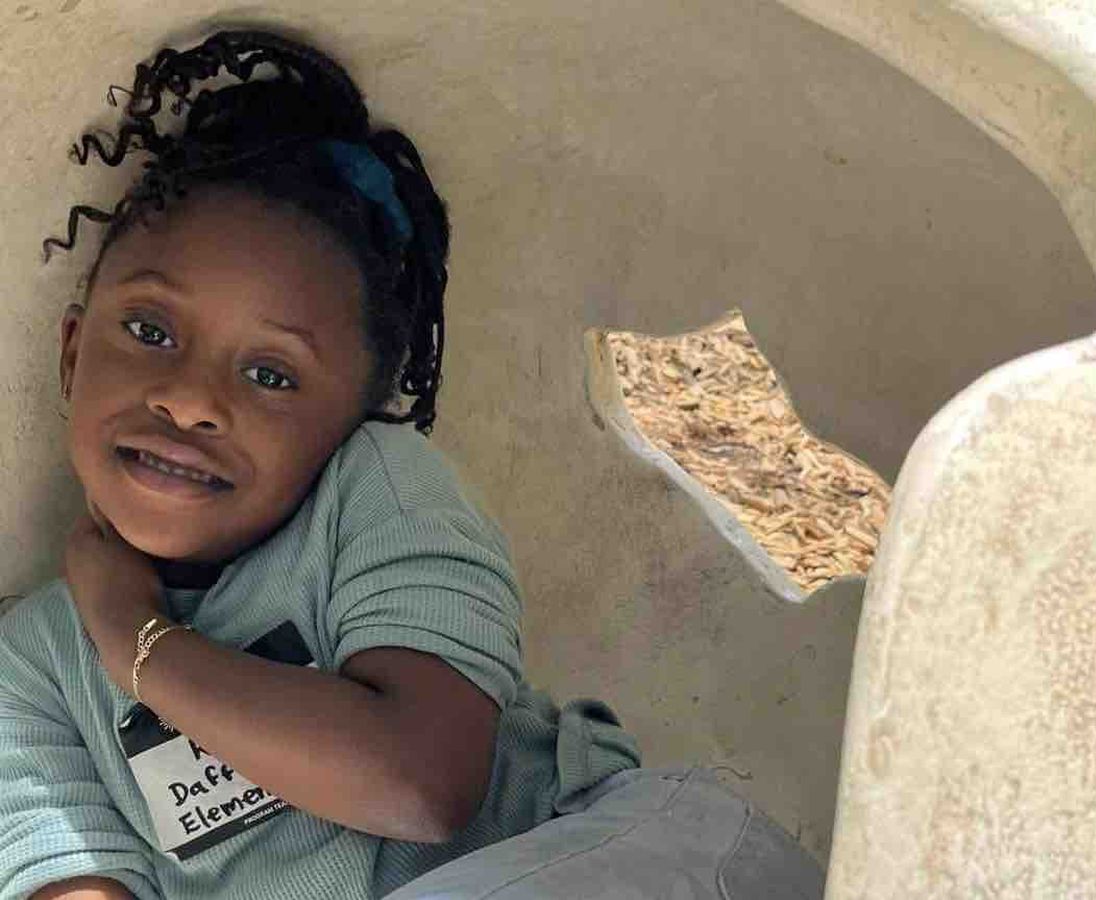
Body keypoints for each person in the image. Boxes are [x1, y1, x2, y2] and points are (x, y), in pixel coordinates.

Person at [4, 27, 825, 900]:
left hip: (631, 863)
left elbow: (419, 785)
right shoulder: (32, 667)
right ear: (71, 352)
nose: (191, 399)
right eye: (150, 331)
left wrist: (137, 641)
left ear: (352, 418)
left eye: (271, 375)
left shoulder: (376, 492)